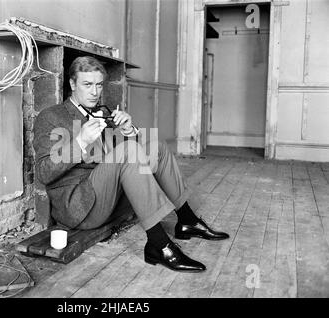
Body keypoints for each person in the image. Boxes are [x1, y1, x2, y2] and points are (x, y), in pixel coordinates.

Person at [33, 56, 229, 272]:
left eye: (99, 85)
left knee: (156, 147)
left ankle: (187, 220)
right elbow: (43, 173)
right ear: (72, 84)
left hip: (111, 196)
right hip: (79, 205)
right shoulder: (51, 117)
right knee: (128, 151)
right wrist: (80, 142)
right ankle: (159, 244)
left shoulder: (104, 112)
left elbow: (129, 160)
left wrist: (129, 131)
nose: (95, 92)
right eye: (87, 85)